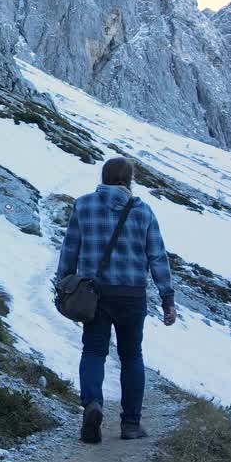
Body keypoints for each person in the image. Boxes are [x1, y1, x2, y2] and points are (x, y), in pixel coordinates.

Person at [56, 156, 176, 443]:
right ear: (128, 181)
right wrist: (167, 297)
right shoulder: (143, 211)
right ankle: (131, 424)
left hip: (95, 294)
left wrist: (63, 286)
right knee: (131, 355)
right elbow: (157, 257)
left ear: (104, 177)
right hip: (132, 296)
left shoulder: (83, 205)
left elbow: (69, 249)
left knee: (94, 352)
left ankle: (93, 405)